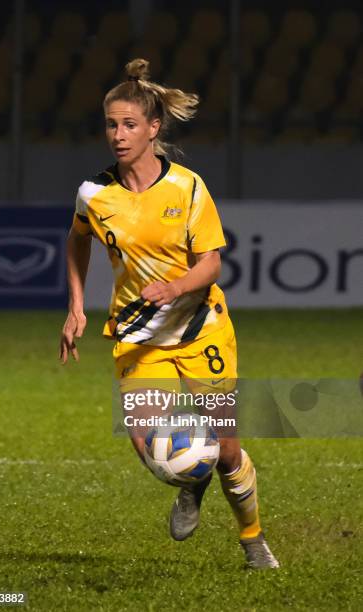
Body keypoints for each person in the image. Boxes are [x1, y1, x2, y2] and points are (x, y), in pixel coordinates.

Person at [59, 58, 279, 570]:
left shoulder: (187, 187)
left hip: (202, 331)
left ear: (153, 128)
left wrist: (176, 285)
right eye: (111, 124)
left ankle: (253, 543)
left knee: (226, 451)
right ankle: (189, 479)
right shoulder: (94, 193)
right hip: (138, 336)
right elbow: (75, 240)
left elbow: (212, 263)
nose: (118, 134)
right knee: (149, 447)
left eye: (129, 124)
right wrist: (75, 305)